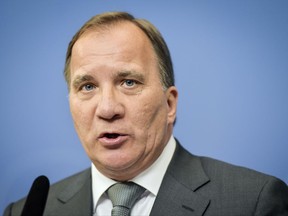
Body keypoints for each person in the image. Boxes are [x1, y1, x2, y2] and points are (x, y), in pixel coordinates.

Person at [4, 11, 288, 216]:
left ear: (170, 104)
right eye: (88, 86)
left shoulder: (254, 202)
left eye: (129, 82)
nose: (107, 109)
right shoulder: (28, 211)